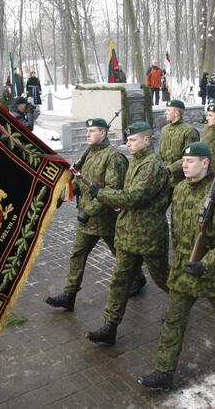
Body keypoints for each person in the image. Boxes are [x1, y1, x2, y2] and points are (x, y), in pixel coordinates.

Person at [138, 142, 215, 390]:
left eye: (189, 161)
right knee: (173, 320)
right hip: (183, 273)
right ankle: (164, 372)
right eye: (183, 161)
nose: (184, 165)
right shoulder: (180, 191)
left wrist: (206, 263)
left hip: (214, 275)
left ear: (206, 163)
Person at [85, 122, 171, 346]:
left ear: (146, 140)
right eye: (128, 140)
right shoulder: (137, 161)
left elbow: (133, 197)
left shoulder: (151, 165)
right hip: (128, 235)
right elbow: (127, 196)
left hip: (148, 236)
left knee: (164, 279)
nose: (128, 144)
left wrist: (102, 193)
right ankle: (110, 326)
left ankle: (181, 307)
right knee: (119, 281)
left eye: (132, 140)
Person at [45, 118, 129, 311]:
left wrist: (88, 211)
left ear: (104, 133)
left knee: (120, 254)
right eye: (87, 131)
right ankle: (69, 295)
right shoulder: (88, 154)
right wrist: (62, 195)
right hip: (87, 220)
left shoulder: (113, 157)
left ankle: (137, 279)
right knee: (77, 254)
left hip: (106, 219)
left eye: (92, 131)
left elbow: (112, 190)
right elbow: (80, 181)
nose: (87, 134)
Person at [159, 100, 199, 186]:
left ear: (176, 113)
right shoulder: (164, 129)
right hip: (165, 179)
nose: (165, 113)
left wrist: (171, 169)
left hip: (181, 179)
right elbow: (160, 153)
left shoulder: (189, 131)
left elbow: (190, 156)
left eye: (168, 110)